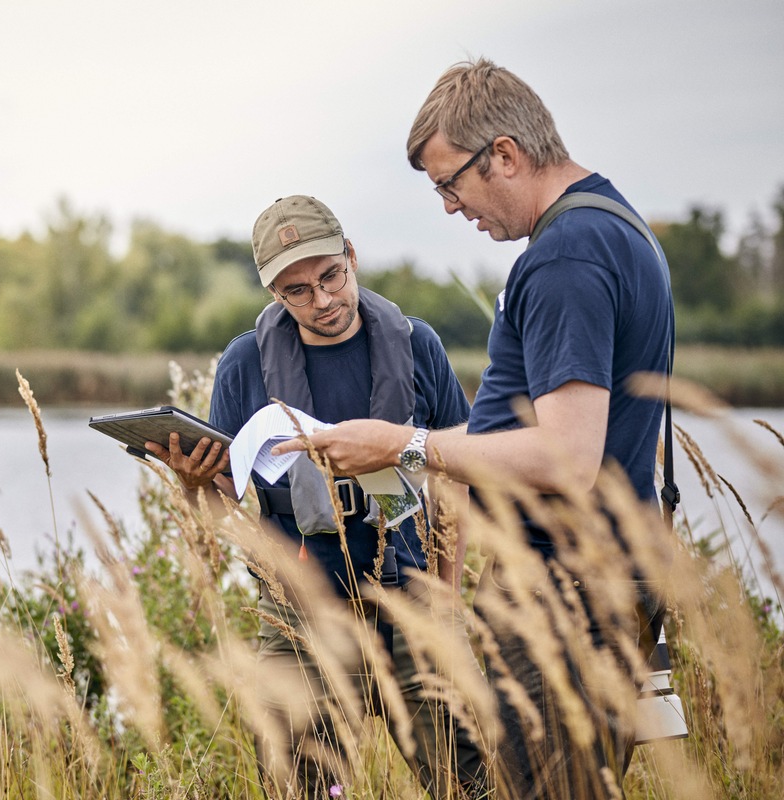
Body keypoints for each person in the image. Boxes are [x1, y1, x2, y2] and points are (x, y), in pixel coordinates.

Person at [274, 59, 676, 798]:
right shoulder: (617, 226)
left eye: (450, 183)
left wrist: (405, 445)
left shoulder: (567, 256)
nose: (452, 207)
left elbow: (566, 456)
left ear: (504, 154)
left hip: (565, 596)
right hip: (602, 579)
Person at [145, 194, 485, 799]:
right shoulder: (243, 364)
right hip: (298, 617)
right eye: (296, 290)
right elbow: (223, 509)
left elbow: (457, 475)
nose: (322, 300)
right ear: (274, 294)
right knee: (296, 787)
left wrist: (449, 600)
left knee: (471, 785)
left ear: (351, 255)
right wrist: (195, 486)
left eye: (331, 275)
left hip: (413, 603)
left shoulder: (419, 344)